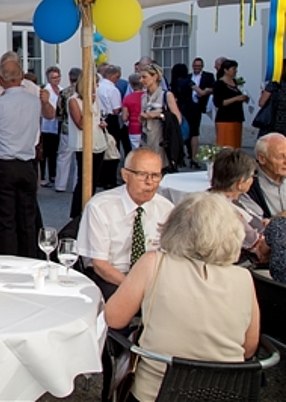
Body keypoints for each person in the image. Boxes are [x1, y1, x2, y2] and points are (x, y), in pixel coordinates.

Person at [105, 192, 260, 402]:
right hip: (226, 392)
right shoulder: (244, 278)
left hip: (156, 393)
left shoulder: (154, 263)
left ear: (174, 226)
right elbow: (249, 348)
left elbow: (113, 318)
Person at [78, 148, 174, 299]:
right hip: (112, 276)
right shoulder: (100, 207)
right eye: (142, 175)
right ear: (125, 175)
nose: (149, 182)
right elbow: (100, 265)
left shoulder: (166, 208)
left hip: (152, 277)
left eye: (155, 175)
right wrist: (136, 288)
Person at [0, 59, 44, 257]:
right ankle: (30, 258)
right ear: (22, 77)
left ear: (1, 80)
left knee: (6, 219)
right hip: (27, 163)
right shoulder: (34, 102)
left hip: (3, 164)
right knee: (27, 217)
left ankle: (8, 259)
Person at [208, 148, 271, 261]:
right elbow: (260, 248)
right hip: (244, 263)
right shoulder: (227, 210)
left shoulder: (212, 196)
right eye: (251, 176)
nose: (253, 180)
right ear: (240, 183)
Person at [68, 75, 108, 219]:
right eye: (94, 84)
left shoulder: (95, 98)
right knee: (83, 178)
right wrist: (88, 106)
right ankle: (77, 213)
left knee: (94, 178)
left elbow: (98, 117)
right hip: (83, 144)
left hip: (98, 140)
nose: (96, 87)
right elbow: (80, 124)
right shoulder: (74, 100)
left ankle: (89, 209)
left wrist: (102, 123)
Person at [139, 63, 182, 170]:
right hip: (146, 137)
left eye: (144, 77)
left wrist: (159, 114)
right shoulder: (144, 97)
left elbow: (177, 119)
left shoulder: (166, 95)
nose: (141, 80)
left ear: (155, 77)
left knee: (159, 167)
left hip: (161, 138)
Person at [245, 132, 286, 218]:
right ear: (262, 158)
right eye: (280, 157)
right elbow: (253, 225)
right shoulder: (247, 185)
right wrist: (280, 218)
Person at [55, 67, 81, 193]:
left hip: (66, 127)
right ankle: (77, 184)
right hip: (81, 129)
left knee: (63, 157)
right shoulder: (85, 92)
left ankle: (60, 184)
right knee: (78, 158)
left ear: (69, 78)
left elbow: (59, 111)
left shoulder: (64, 92)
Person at [213, 59, 248, 148]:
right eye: (233, 69)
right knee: (226, 145)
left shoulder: (235, 83)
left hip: (237, 117)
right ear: (225, 70)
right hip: (225, 118)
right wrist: (236, 98)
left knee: (236, 145)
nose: (235, 71)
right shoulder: (219, 84)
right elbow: (219, 102)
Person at [187, 57, 216, 164]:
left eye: (199, 66)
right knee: (189, 131)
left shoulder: (208, 76)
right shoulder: (188, 77)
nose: (197, 68)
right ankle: (190, 153)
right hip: (188, 106)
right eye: (195, 66)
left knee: (194, 130)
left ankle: (193, 155)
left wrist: (207, 91)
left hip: (200, 105)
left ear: (202, 66)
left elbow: (214, 88)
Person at [122, 73, 144, 149]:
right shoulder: (147, 96)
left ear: (131, 84)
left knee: (136, 150)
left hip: (134, 127)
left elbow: (124, 117)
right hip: (147, 126)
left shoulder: (127, 98)